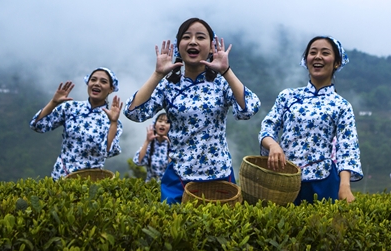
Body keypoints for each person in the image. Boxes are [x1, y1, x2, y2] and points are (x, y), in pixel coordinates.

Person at [125, 18, 260, 204]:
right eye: (186, 37)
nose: (193, 41)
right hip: (179, 175)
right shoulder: (168, 86)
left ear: (211, 47)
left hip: (218, 175)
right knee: (173, 228)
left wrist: (226, 70)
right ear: (177, 46)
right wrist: (157, 75)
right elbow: (133, 112)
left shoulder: (221, 83)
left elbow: (249, 109)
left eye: (200, 37)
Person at [259, 36, 363, 203]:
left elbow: (347, 148)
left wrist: (345, 186)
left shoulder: (341, 105)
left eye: (325, 53)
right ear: (306, 60)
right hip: (285, 179)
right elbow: (268, 127)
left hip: (324, 182)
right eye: (312, 52)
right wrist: (273, 145)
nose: (317, 57)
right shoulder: (288, 96)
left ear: (336, 62)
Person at [30, 67, 123, 180]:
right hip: (60, 177)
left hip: (91, 182)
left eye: (103, 82)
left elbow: (108, 151)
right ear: (88, 83)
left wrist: (113, 122)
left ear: (111, 89)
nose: (97, 83)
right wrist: (53, 102)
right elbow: (38, 126)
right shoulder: (70, 107)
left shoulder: (112, 120)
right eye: (93, 80)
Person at [133, 113, 171, 182]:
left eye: (167, 122)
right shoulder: (151, 143)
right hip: (150, 187)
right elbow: (138, 161)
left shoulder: (172, 144)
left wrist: (170, 145)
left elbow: (173, 168)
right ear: (155, 125)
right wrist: (147, 141)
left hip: (167, 187)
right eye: (160, 121)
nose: (162, 124)